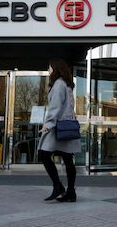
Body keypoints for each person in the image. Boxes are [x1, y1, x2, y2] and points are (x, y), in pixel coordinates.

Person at [38, 58, 81, 202]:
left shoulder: (58, 84)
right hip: (67, 126)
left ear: (55, 69)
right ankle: (70, 192)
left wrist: (48, 124)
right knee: (68, 159)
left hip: (58, 126)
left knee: (43, 154)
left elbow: (55, 107)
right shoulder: (67, 85)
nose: (48, 71)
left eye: (49, 68)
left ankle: (58, 186)